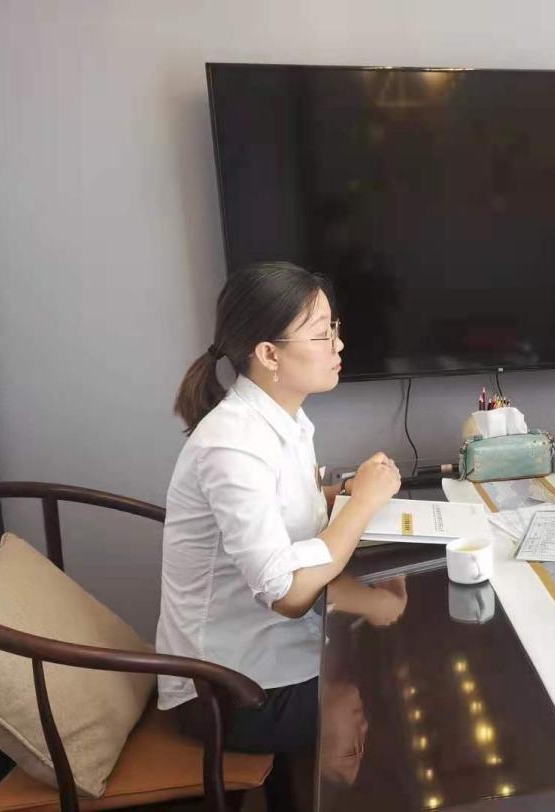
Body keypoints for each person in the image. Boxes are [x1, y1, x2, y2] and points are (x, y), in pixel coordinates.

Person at [155, 261, 403, 809]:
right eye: (322, 333)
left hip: (265, 656)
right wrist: (362, 504)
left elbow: (294, 527)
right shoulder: (231, 444)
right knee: (395, 697)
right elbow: (288, 593)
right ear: (269, 354)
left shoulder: (283, 421)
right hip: (227, 690)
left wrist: (339, 500)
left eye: (334, 328)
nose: (338, 344)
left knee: (393, 656)